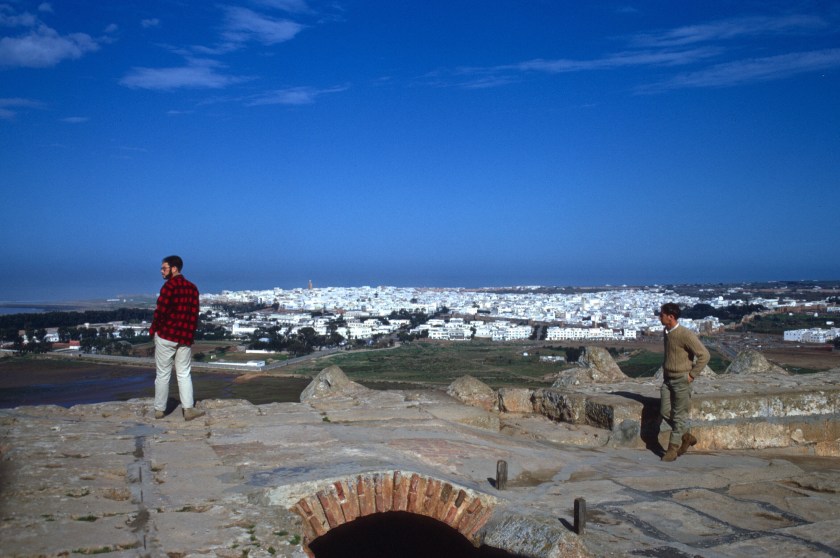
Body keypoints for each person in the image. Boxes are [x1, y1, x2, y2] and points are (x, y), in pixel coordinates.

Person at [149, 255, 205, 421]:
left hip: (167, 335)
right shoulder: (192, 288)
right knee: (184, 373)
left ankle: (160, 410)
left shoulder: (169, 287)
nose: (161, 271)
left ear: (174, 268)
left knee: (163, 374)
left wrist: (154, 330)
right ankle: (188, 409)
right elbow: (194, 314)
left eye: (164, 268)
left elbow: (160, 312)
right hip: (185, 337)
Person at [658, 302, 709, 462]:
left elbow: (704, 355)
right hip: (668, 380)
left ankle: (672, 450)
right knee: (665, 411)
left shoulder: (685, 334)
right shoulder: (666, 332)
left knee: (679, 416)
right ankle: (686, 436)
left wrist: (692, 375)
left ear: (670, 317)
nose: (659, 317)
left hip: (682, 380)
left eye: (661, 314)